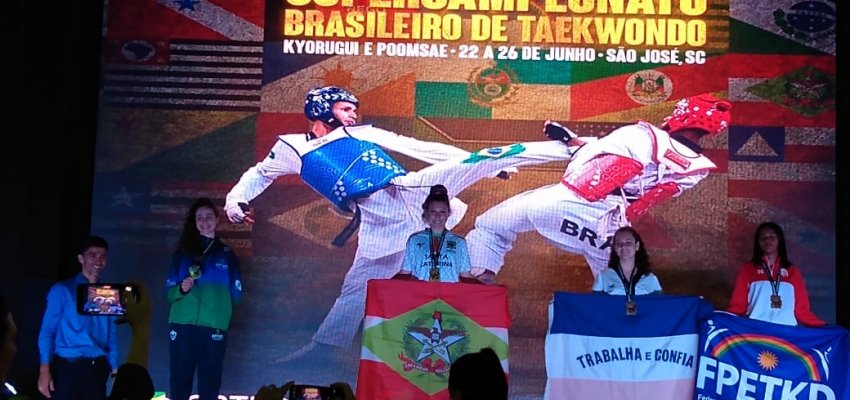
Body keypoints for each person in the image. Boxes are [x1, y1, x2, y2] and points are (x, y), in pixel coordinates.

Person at [223, 86, 574, 357]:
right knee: (354, 290)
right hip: (379, 225)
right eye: (345, 108)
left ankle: (571, 149)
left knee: (486, 158)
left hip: (412, 193)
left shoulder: (363, 133)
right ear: (320, 109)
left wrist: (481, 164)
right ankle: (323, 349)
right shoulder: (291, 148)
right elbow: (259, 174)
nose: (352, 115)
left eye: (354, 110)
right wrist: (236, 199)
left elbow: (420, 147)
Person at [465, 93, 733, 283]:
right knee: (619, 292)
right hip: (609, 227)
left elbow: (599, 170)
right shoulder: (698, 170)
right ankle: (623, 345)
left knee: (490, 226)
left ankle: (481, 276)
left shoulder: (640, 134)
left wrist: (573, 144)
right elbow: (638, 188)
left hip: (564, 204)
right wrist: (573, 140)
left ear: (685, 114)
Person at [165, 198, 243, 400]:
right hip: (182, 326)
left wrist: (217, 310)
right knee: (179, 387)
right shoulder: (182, 254)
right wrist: (181, 289)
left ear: (217, 220)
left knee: (209, 388)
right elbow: (169, 293)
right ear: (194, 221)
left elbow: (237, 294)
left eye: (209, 217)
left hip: (212, 327)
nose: (204, 221)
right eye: (199, 218)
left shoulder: (227, 254)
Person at [37, 235, 118, 400]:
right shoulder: (62, 290)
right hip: (69, 368)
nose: (98, 260)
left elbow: (111, 335)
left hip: (98, 368)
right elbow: (48, 330)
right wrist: (44, 369)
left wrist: (115, 368)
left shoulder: (108, 294)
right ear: (81, 258)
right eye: (92, 255)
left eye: (103, 256)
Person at [726, 222, 825, 327]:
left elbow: (801, 311)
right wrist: (719, 318)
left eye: (772, 237)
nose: (767, 240)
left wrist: (824, 327)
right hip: (756, 331)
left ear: (779, 241)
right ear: (758, 243)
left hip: (786, 332)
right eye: (762, 238)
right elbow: (738, 306)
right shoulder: (748, 270)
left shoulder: (793, 271)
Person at [393, 184, 478, 283]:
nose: (437, 216)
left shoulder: (459, 242)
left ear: (448, 213)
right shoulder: (415, 240)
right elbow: (405, 272)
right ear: (427, 212)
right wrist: (382, 286)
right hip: (422, 295)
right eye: (433, 211)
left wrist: (492, 290)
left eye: (442, 212)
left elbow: (465, 274)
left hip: (449, 296)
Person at [591, 227, 662, 315]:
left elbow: (659, 308)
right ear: (615, 248)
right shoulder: (604, 276)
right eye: (619, 244)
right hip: (614, 326)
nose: (623, 246)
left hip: (642, 326)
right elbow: (595, 307)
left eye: (628, 243)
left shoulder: (650, 278)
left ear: (637, 246)